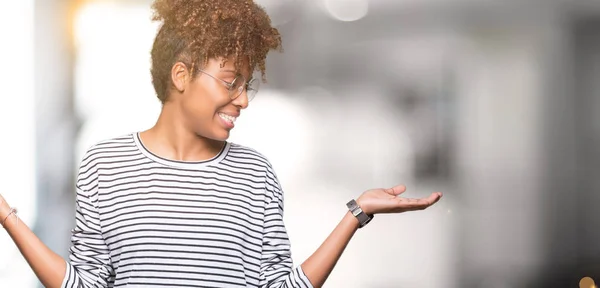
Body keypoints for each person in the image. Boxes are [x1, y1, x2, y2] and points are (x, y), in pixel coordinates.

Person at [0, 0, 443, 287]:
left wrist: (355, 214)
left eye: (248, 84)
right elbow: (86, 285)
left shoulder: (255, 174)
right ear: (181, 75)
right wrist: (8, 216)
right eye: (232, 82)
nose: (244, 100)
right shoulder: (105, 164)